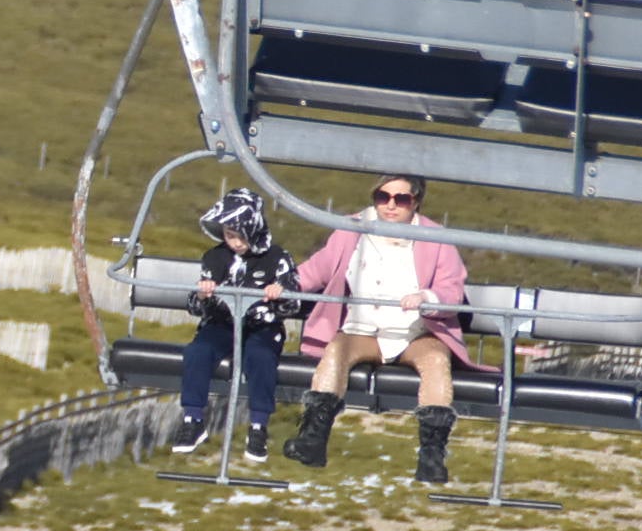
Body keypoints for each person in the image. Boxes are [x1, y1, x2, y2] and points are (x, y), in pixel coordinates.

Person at [282, 174, 470, 481]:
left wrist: (427, 298)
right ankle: (313, 438)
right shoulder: (352, 229)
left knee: (436, 361)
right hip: (362, 330)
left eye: (402, 199)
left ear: (416, 201)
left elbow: (452, 290)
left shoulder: (436, 238)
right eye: (383, 197)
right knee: (336, 352)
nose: (391, 206)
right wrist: (280, 285)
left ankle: (432, 456)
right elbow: (318, 269)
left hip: (415, 333)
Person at [174, 190, 300, 459]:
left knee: (261, 357)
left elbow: (294, 304)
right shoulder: (214, 258)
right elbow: (195, 307)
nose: (236, 242)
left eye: (241, 235)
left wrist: (280, 294)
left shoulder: (277, 258)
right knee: (198, 352)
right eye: (230, 235)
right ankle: (193, 419)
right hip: (222, 323)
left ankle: (258, 425)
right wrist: (203, 294)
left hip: (261, 326)